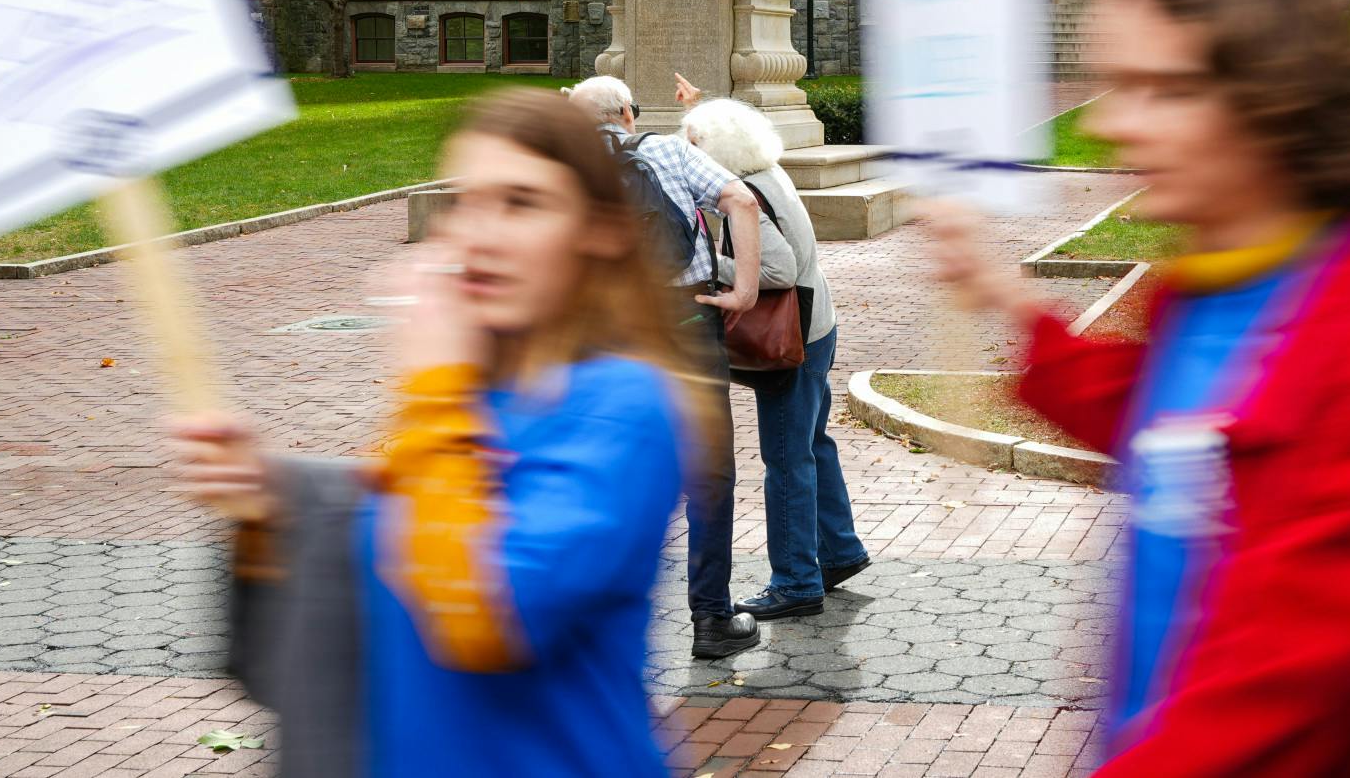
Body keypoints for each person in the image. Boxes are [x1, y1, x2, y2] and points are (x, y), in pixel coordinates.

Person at [926, 0, 1350, 777]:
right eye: (1114, 85)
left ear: (1272, 99)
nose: (1114, 126)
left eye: (1163, 90)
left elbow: (1270, 694)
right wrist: (1008, 296)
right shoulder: (1209, 287)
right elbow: (1164, 423)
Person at [169, 88, 719, 777]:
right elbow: (397, 561)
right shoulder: (470, 400)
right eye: (466, 201)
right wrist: (266, 501)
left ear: (600, 231)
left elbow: (485, 616)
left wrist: (430, 387)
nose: (479, 234)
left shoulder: (626, 407)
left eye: (522, 203)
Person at [566, 73, 764, 660]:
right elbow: (742, 200)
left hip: (604, 334)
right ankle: (711, 618)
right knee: (708, 473)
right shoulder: (671, 151)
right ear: (628, 112)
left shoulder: (562, 168)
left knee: (605, 470)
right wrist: (745, 290)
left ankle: (599, 622)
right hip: (685, 324)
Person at [677, 86, 871, 620]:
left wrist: (708, 268)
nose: (688, 154)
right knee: (811, 444)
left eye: (694, 145)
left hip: (791, 338)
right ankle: (838, 552)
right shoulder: (766, 168)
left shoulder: (748, 196)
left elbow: (776, 270)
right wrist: (701, 100)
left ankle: (796, 582)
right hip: (817, 327)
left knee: (786, 459)